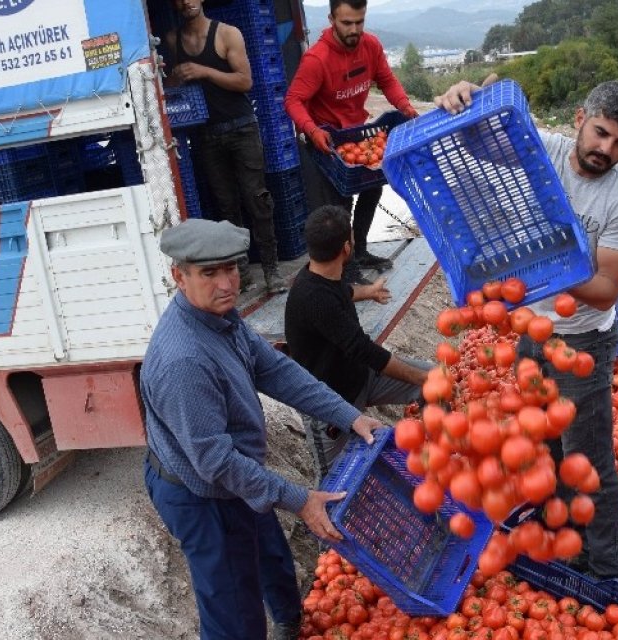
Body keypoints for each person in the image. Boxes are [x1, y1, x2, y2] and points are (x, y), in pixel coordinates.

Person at [435, 79, 618, 581]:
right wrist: (467, 98)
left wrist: (541, 267)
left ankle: (612, 568)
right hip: (535, 332)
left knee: (587, 457)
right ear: (580, 118)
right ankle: (568, 539)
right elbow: (474, 138)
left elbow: (605, 291)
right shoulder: (543, 151)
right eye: (600, 133)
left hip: (584, 340)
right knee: (547, 444)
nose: (606, 150)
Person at [141, 218, 384, 639]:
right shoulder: (184, 360)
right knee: (235, 613)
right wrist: (299, 499)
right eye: (209, 273)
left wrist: (349, 414)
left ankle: (292, 625)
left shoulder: (223, 320)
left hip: (233, 474)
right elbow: (215, 461)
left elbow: (276, 371)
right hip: (202, 493)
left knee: (272, 558)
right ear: (178, 277)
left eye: (231, 268)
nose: (226, 283)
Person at [284, 205, 432, 478]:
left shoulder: (319, 274)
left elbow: (342, 291)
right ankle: (314, 521)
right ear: (346, 249)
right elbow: (366, 351)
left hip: (360, 378)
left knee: (433, 380)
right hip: (328, 404)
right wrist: (421, 378)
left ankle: (437, 455)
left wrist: (369, 292)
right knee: (332, 481)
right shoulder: (314, 299)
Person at [284, 0, 419, 284]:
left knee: (373, 187)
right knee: (340, 204)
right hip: (327, 141)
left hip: (356, 134)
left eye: (359, 22)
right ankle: (346, 268)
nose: (354, 29)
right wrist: (311, 130)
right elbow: (293, 100)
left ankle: (361, 251)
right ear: (332, 18)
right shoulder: (317, 59)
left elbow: (387, 80)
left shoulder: (370, 46)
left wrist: (406, 108)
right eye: (347, 23)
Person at [163, 0, 287, 294]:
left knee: (257, 201)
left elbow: (245, 80)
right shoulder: (171, 40)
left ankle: (272, 271)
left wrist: (204, 71)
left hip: (242, 128)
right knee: (226, 209)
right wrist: (175, 78)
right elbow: (166, 87)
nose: (186, 2)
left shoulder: (227, 33)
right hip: (205, 136)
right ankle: (241, 274)